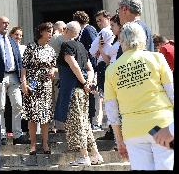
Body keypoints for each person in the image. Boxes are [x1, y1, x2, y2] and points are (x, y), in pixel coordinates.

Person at [104, 22, 174, 170]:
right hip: (161, 124)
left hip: (133, 129)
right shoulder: (157, 58)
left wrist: (119, 140)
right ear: (143, 39)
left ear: (121, 41)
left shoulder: (111, 70)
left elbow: (111, 109)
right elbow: (172, 92)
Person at [54, 21, 103, 166]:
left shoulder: (66, 45)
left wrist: (84, 82)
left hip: (72, 91)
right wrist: (89, 82)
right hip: (82, 91)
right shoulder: (81, 46)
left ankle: (84, 156)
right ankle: (95, 155)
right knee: (85, 123)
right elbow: (90, 68)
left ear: (66, 30)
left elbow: (73, 64)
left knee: (76, 124)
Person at [0, 16, 27, 146]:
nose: (6, 25)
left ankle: (18, 135)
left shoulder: (12, 41)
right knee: (0, 107)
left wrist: (22, 78)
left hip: (14, 76)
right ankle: (1, 135)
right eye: (3, 23)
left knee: (18, 105)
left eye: (8, 23)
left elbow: (19, 60)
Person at [20, 22, 56, 155]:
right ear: (41, 32)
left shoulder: (51, 49)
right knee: (32, 115)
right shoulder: (31, 47)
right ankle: (33, 144)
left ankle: (45, 143)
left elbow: (54, 65)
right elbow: (24, 66)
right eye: (48, 31)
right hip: (33, 83)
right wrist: (24, 83)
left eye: (52, 31)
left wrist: (53, 70)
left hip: (46, 84)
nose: (51, 34)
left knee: (45, 115)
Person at [89, 10, 115, 131]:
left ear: (108, 18)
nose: (99, 23)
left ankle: (112, 128)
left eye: (101, 20)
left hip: (103, 65)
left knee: (107, 97)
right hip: (109, 64)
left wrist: (98, 50)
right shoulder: (113, 31)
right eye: (97, 21)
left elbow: (92, 50)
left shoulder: (105, 31)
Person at [73, 10, 98, 128]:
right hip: (86, 66)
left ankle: (93, 121)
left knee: (93, 94)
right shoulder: (83, 31)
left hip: (91, 66)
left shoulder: (89, 29)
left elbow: (94, 46)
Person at [48, 21, 67, 133]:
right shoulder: (61, 38)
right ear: (63, 28)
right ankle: (60, 126)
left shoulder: (47, 39)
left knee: (50, 101)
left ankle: (50, 126)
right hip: (59, 73)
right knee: (60, 100)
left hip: (48, 74)